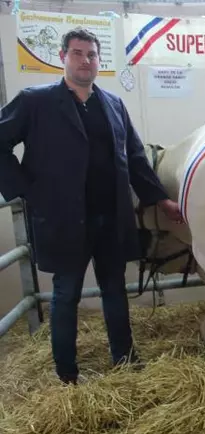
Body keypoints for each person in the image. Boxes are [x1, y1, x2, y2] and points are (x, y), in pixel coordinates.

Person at [0, 28, 184, 385]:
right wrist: (25, 191)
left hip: (110, 217)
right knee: (66, 293)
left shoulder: (113, 104)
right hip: (63, 218)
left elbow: (133, 157)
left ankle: (125, 359)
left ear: (99, 60)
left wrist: (159, 198)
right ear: (62, 56)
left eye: (92, 55)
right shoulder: (35, 101)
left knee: (115, 289)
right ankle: (67, 373)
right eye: (78, 53)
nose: (86, 60)